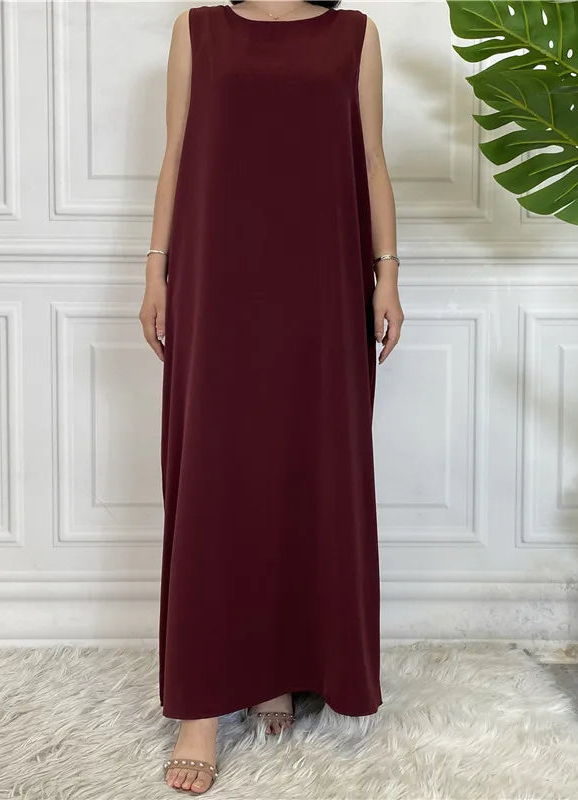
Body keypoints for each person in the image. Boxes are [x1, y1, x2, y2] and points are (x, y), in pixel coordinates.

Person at [139, 0, 403, 793]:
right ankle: (198, 707)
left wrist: (388, 274)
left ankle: (278, 671)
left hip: (321, 287)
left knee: (306, 472)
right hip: (218, 282)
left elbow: (372, 160)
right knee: (216, 477)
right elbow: (176, 153)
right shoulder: (198, 30)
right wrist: (154, 270)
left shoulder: (355, 34)